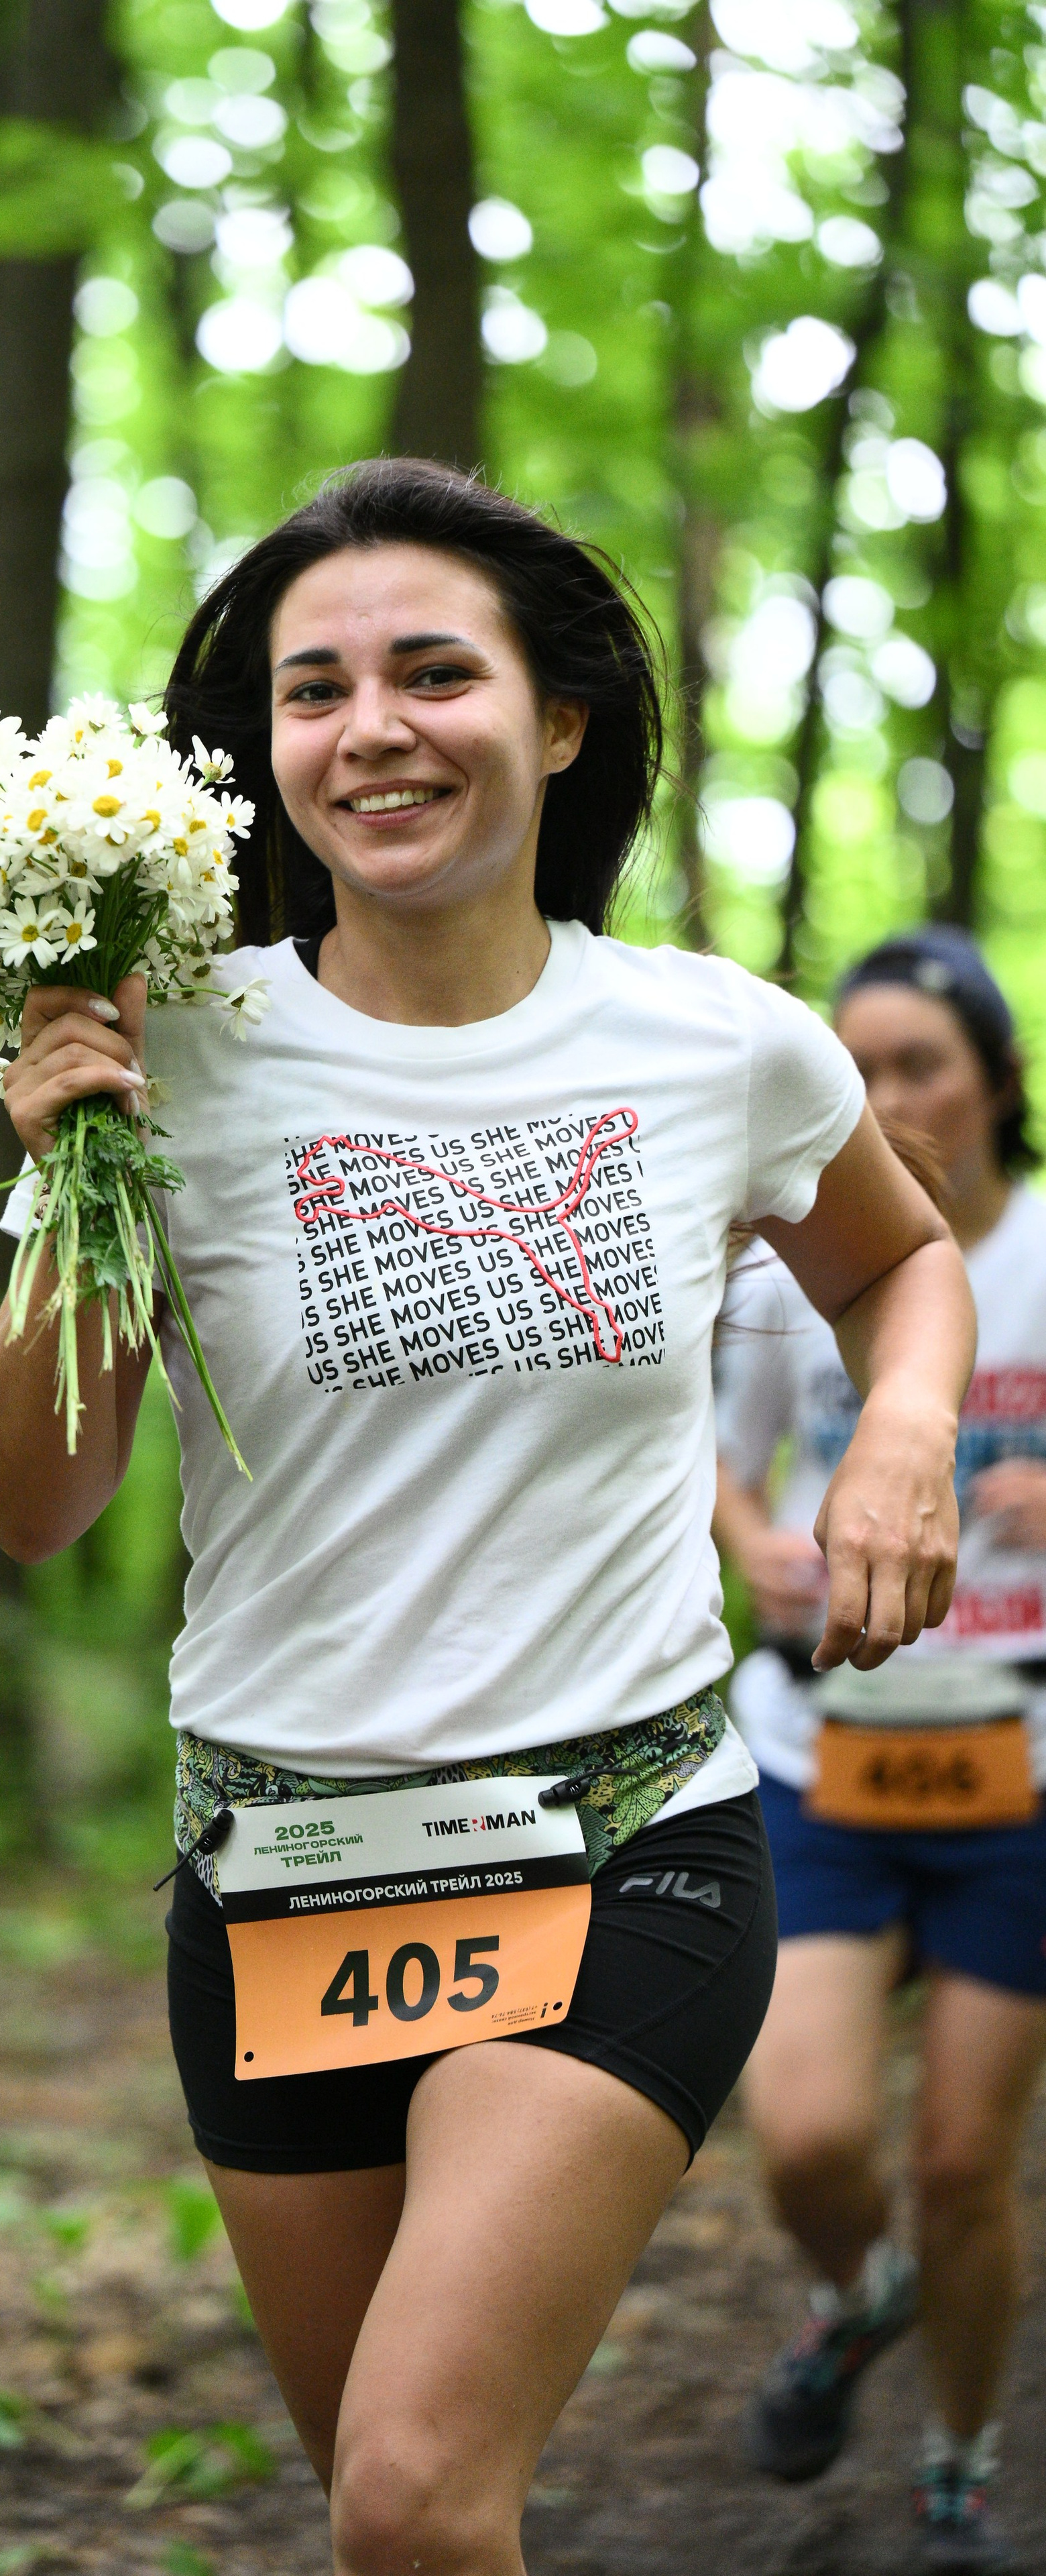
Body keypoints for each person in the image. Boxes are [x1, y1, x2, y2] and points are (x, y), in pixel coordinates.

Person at [0, 458, 974, 2576]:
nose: (374, 728)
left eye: (436, 671)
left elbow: (904, 1263)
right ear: (269, 756)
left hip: (623, 1852)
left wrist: (901, 1435)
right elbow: (32, 1503)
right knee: (408, 2515)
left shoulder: (718, 1044)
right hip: (278, 1874)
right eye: (317, 692)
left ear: (561, 718)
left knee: (415, 2492)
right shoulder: (179, 1056)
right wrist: (69, 1193)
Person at [716, 926, 1046, 2574]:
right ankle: (857, 2299)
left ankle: (957, 2467)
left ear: (994, 1079)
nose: (889, 1092)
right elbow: (714, 1464)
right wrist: (755, 1546)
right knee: (813, 2141)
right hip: (815, 1755)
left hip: (1021, 1772)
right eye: (859, 1064)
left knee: (960, 2158)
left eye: (920, 1060)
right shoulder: (786, 1254)